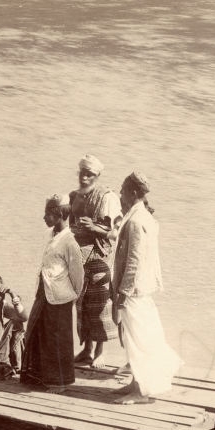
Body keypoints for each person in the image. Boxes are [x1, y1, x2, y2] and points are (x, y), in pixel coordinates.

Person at [110, 172, 181, 405]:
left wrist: (123, 293)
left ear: (132, 193)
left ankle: (141, 392)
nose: (120, 196)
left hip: (135, 290)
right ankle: (136, 382)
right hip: (141, 289)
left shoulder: (136, 221)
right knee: (135, 337)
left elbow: (134, 261)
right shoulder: (142, 216)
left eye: (122, 191)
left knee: (140, 339)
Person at [21, 195, 84, 394]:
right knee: (38, 332)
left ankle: (60, 383)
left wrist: (73, 295)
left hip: (60, 296)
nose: (44, 217)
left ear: (59, 215)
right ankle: (40, 375)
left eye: (48, 214)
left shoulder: (69, 242)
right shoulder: (51, 235)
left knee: (58, 340)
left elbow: (77, 274)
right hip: (45, 292)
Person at [69, 154, 121, 368]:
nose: (85, 178)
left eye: (90, 174)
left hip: (100, 257)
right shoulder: (74, 196)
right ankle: (86, 350)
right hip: (78, 257)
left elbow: (115, 232)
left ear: (97, 175)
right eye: (82, 173)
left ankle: (100, 352)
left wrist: (94, 228)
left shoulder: (107, 197)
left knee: (100, 305)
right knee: (81, 303)